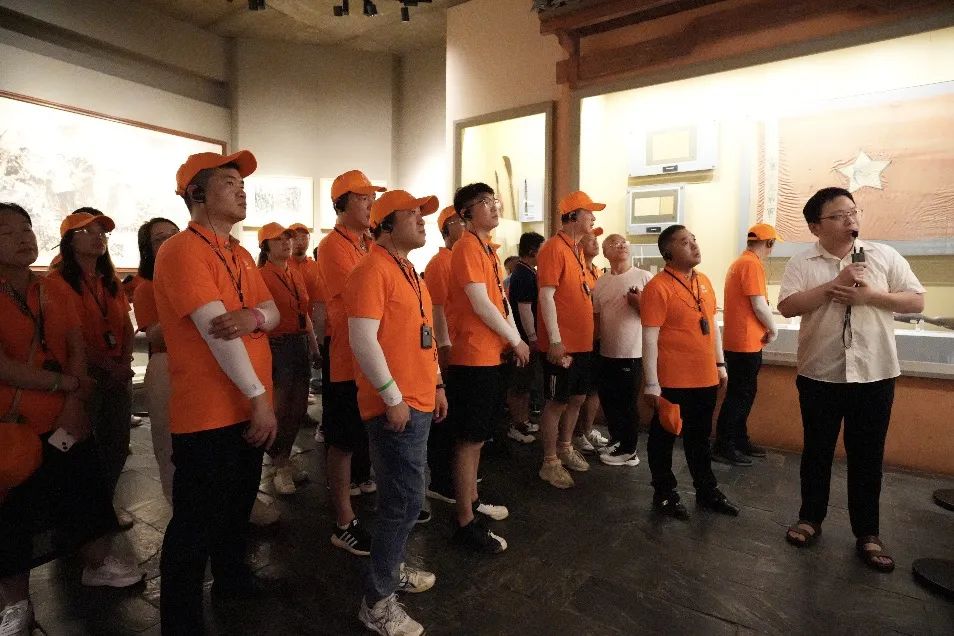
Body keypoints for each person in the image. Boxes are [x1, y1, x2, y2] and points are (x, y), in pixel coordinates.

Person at [1, 203, 142, 636]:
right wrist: (67, 384)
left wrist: (76, 397)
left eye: (26, 228)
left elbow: (75, 343)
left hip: (64, 413)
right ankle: (15, 602)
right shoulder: (53, 282)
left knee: (83, 487)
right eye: (7, 232)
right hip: (14, 423)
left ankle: (96, 563)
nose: (23, 237)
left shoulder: (50, 288)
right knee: (12, 511)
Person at [155, 150, 280, 634]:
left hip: (245, 405)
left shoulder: (240, 253)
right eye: (229, 182)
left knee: (237, 505)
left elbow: (272, 312)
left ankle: (232, 578)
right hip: (208, 412)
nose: (241, 190)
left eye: (241, 183)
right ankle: (181, 621)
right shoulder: (182, 250)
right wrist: (260, 399)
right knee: (195, 522)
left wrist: (254, 316)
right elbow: (217, 334)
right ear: (197, 194)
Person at [778, 187, 924, 572]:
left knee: (868, 457)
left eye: (853, 212)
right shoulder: (802, 261)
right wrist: (833, 286)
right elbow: (788, 306)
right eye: (839, 215)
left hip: (875, 374)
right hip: (819, 374)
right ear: (816, 227)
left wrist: (871, 296)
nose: (850, 220)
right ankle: (810, 518)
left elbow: (916, 301)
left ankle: (868, 532)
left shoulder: (883, 255)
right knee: (817, 451)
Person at [345, 189, 446, 636]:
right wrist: (391, 396)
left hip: (418, 400)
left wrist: (437, 384)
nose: (423, 221)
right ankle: (377, 602)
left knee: (407, 500)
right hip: (396, 406)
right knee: (401, 503)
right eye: (413, 214)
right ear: (386, 224)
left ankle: (392, 570)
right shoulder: (372, 270)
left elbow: (423, 332)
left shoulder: (408, 271)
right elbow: (362, 339)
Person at [444, 183, 528, 553]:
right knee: (469, 439)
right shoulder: (466, 248)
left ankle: (472, 501)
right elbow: (480, 304)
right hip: (473, 356)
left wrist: (513, 339)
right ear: (465, 213)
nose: (493, 208)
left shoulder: (487, 250)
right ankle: (464, 521)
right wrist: (515, 339)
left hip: (490, 355)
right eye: (483, 203)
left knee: (478, 436)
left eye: (493, 201)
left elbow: (500, 301)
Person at [641, 224, 740, 519]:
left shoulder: (704, 281)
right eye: (685, 242)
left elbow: (713, 327)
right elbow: (649, 338)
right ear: (668, 252)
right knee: (663, 439)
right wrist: (651, 383)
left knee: (700, 438)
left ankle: (706, 490)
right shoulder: (657, 286)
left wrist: (720, 364)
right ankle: (664, 492)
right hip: (672, 380)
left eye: (694, 240)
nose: (694, 245)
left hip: (705, 377)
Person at [45, 209, 136, 529]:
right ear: (69, 240)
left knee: (116, 443)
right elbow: (72, 337)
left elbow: (125, 325)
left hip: (116, 373)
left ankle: (103, 509)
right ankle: (68, 516)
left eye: (102, 232)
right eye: (88, 232)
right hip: (81, 376)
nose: (99, 237)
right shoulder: (56, 282)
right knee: (73, 444)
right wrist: (108, 365)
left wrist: (124, 363)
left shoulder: (109, 280)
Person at [317, 170, 385, 556]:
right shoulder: (332, 246)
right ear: (341, 204)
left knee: (362, 435)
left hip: (369, 353)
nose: (370, 204)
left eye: (371, 198)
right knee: (342, 440)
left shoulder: (366, 244)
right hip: (346, 355)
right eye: (362, 198)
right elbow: (361, 293)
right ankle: (343, 521)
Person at [534, 191, 602, 489]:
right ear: (573, 216)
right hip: (563, 345)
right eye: (589, 213)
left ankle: (565, 447)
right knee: (557, 401)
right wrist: (555, 340)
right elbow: (546, 295)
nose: (593, 218)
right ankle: (549, 461)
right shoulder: (553, 248)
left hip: (583, 343)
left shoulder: (576, 251)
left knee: (577, 398)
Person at [712, 223, 780, 466]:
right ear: (769, 243)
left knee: (743, 394)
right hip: (746, 343)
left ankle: (739, 440)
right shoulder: (751, 264)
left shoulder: (739, 263)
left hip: (738, 341)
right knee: (740, 396)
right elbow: (759, 304)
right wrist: (773, 329)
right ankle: (724, 445)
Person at [257, 223, 317, 495]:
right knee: (280, 408)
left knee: (298, 407)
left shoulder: (294, 273)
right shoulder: (261, 276)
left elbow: (304, 315)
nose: (286, 243)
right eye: (278, 240)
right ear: (265, 247)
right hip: (277, 346)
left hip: (299, 343)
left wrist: (313, 346)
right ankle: (279, 463)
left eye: (288, 239)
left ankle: (284, 457)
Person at [592, 233, 652, 467]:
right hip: (606, 352)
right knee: (609, 400)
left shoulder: (644, 277)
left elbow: (656, 316)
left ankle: (629, 450)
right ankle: (617, 441)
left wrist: (639, 304)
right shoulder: (601, 282)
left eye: (624, 243)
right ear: (605, 252)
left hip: (632, 353)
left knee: (627, 404)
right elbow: (596, 318)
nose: (621, 246)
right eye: (614, 243)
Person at [132, 217, 180, 502]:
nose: (170, 240)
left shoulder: (198, 275)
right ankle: (179, 503)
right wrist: (188, 307)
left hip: (206, 366)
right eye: (160, 238)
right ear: (148, 249)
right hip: (167, 366)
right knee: (170, 442)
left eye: (175, 233)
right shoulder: (146, 288)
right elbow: (154, 336)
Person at [423, 206, 464, 503]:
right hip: (449, 349)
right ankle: (440, 479)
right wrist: (444, 347)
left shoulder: (463, 259)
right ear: (446, 229)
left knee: (456, 416)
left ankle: (455, 473)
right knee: (444, 419)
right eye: (459, 221)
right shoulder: (440, 263)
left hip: (464, 351)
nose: (465, 225)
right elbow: (436, 311)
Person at [505, 231, 545, 444]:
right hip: (523, 339)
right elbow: (524, 309)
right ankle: (516, 425)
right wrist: (532, 337)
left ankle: (523, 420)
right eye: (542, 250)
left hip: (526, 338)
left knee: (526, 383)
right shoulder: (523, 274)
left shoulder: (528, 272)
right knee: (519, 384)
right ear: (532, 251)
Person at [573, 228, 608, 453]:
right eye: (590, 239)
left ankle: (587, 430)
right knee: (579, 392)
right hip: (580, 339)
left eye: (597, 240)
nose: (595, 243)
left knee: (595, 389)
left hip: (599, 338)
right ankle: (576, 434)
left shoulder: (598, 271)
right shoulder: (577, 270)